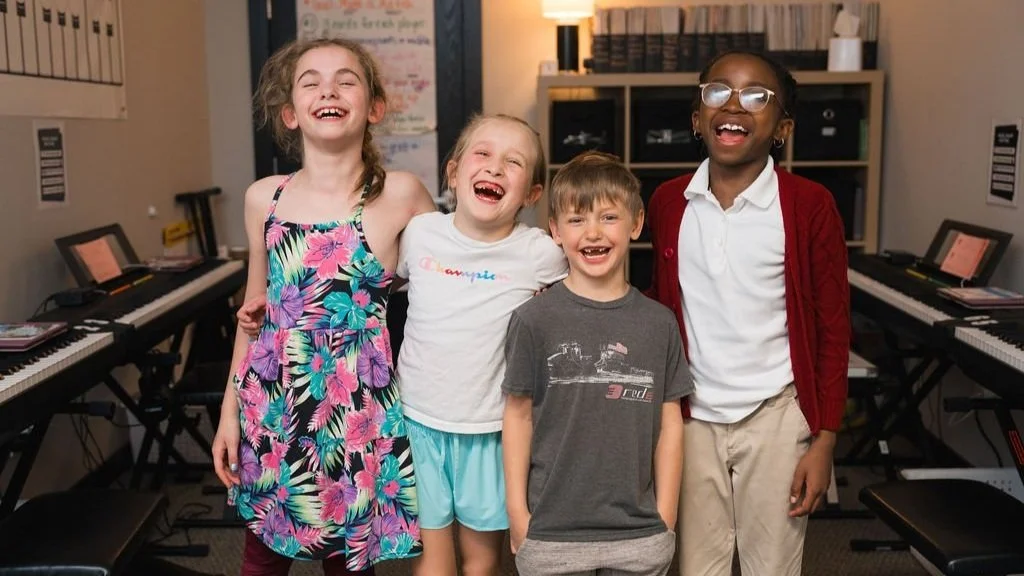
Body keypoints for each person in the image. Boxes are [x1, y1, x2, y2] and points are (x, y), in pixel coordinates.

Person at [236, 113, 569, 576]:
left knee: (481, 559)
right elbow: (356, 284)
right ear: (453, 173)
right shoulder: (422, 234)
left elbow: (579, 301)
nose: (495, 169)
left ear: (533, 194)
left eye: (514, 163)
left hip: (492, 427)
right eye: (483, 154)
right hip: (415, 425)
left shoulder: (541, 253)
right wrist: (277, 312)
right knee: (431, 560)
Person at [210, 36, 436, 575]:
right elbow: (254, 311)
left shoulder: (402, 194)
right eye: (310, 82)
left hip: (357, 415)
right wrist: (227, 414)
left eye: (346, 80)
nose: (327, 90)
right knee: (261, 558)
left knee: (348, 563)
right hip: (272, 409)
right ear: (290, 113)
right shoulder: (263, 197)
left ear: (374, 107)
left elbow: (450, 279)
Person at [645, 49, 850, 576]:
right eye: (718, 91)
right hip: (692, 419)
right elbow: (656, 306)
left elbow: (831, 328)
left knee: (772, 563)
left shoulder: (809, 205)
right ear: (697, 118)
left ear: (781, 126)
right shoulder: (670, 203)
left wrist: (824, 438)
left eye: (756, 96)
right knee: (695, 564)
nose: (734, 104)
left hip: (778, 417)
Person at [502, 151, 690, 576]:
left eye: (608, 217)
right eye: (576, 219)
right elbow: (517, 419)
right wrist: (519, 517)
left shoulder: (659, 323)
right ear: (554, 229)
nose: (592, 233)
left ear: (636, 224)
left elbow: (671, 424)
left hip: (640, 534)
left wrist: (666, 518)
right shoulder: (533, 320)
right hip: (550, 534)